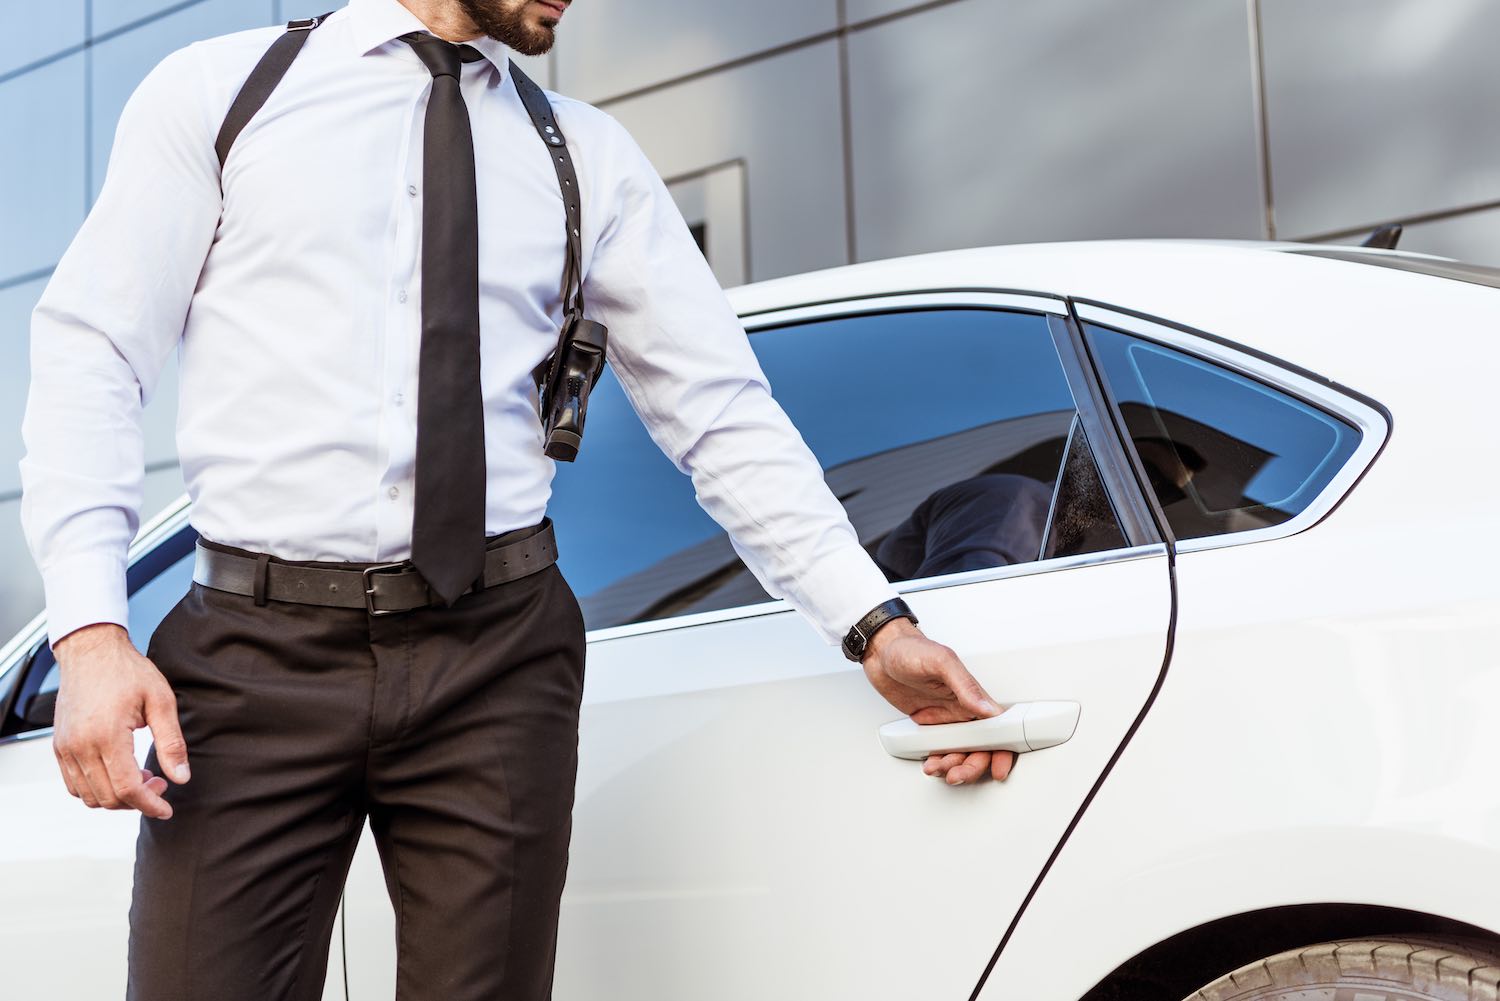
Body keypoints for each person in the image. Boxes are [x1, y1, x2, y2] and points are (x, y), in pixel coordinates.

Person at [19, 0, 1013, 997]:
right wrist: (91, 632)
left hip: (496, 656)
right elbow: (94, 356)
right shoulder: (219, 96)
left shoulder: (587, 156)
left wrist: (871, 620)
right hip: (250, 657)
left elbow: (718, 411)